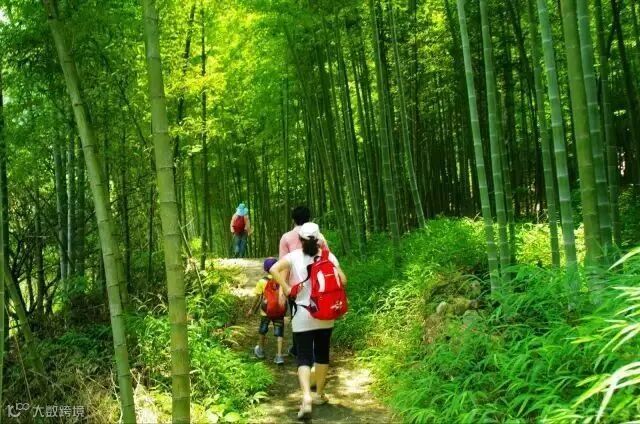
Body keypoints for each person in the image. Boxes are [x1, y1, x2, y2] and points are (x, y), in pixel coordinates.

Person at [269, 222, 347, 420]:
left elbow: (274, 269)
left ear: (300, 239)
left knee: (303, 357)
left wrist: (286, 288)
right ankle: (319, 394)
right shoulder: (328, 256)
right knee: (322, 355)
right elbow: (343, 280)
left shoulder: (294, 256)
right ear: (319, 238)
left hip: (302, 314)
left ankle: (306, 398)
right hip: (325, 315)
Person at [279, 206, 327, 357]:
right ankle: (315, 349)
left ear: (293, 219)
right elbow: (327, 259)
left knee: (297, 315)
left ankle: (299, 349)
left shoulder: (286, 237)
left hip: (295, 286)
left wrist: (282, 290)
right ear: (309, 219)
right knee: (316, 312)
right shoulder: (319, 236)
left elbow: (283, 266)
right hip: (318, 283)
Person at [247, 258, 286, 364]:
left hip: (266, 311)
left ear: (265, 269)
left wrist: (252, 309)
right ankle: (279, 356)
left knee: (263, 330)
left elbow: (257, 298)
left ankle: (260, 350)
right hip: (279, 311)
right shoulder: (281, 279)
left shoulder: (262, 281)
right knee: (279, 333)